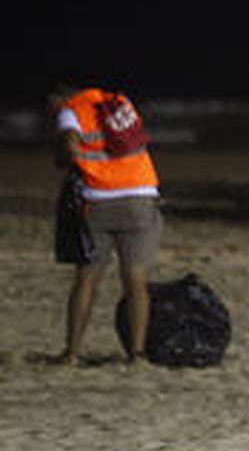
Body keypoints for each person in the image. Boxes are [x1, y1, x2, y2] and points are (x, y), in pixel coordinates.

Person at [47, 87, 162, 367]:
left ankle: (72, 353)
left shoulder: (70, 111)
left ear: (59, 98)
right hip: (140, 196)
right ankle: (137, 354)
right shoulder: (120, 101)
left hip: (98, 201)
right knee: (136, 283)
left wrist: (62, 159)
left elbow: (71, 148)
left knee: (86, 280)